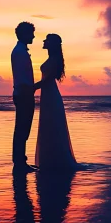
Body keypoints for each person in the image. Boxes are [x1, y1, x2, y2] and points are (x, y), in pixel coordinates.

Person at [34, 33, 78, 170]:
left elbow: (48, 80)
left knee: (52, 126)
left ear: (51, 44)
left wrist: (33, 87)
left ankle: (54, 161)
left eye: (46, 40)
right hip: (48, 95)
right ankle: (50, 160)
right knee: (49, 126)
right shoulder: (52, 58)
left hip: (51, 95)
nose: (43, 41)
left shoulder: (54, 59)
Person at [11, 22, 40, 172]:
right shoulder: (20, 52)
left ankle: (20, 161)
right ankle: (19, 163)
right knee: (22, 129)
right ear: (23, 34)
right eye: (31, 33)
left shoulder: (20, 51)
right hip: (24, 94)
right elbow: (23, 79)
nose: (33, 36)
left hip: (23, 93)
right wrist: (34, 88)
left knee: (22, 129)